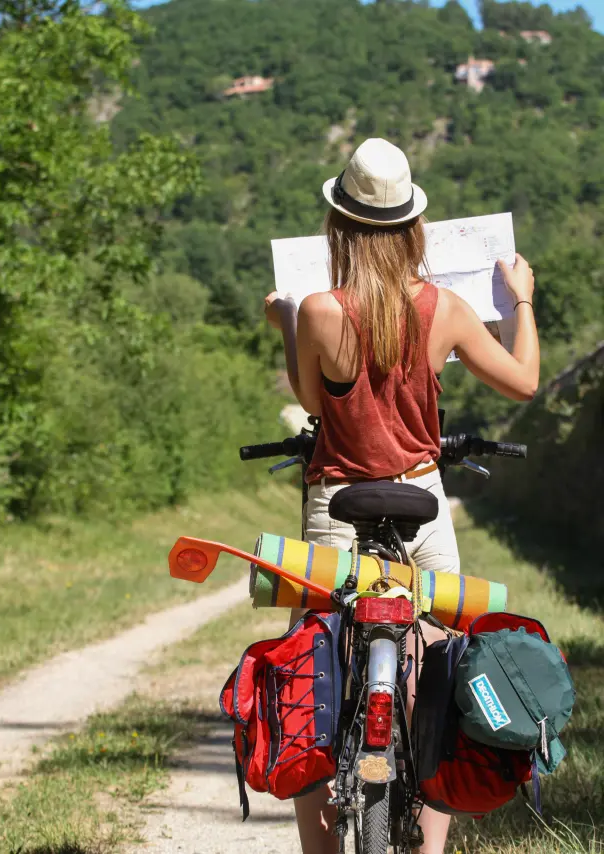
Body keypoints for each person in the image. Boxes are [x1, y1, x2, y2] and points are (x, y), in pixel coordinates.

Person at [264, 137, 539, 854]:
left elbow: (310, 401)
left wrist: (286, 325)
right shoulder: (444, 307)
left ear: (339, 228)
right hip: (421, 502)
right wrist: (522, 302)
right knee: (443, 676)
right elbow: (523, 381)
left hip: (337, 507)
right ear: (413, 228)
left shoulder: (320, 310)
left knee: (314, 678)